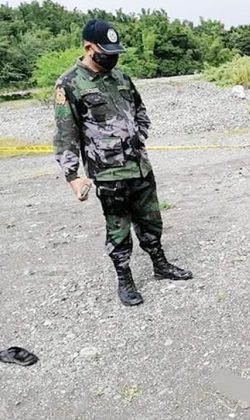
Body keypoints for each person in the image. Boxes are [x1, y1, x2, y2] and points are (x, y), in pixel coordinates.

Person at [53, 19, 192, 307]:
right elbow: (66, 133)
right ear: (88, 47)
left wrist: (139, 134)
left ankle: (160, 265)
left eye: (116, 52)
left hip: (139, 164)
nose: (112, 57)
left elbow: (140, 109)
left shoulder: (121, 78)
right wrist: (72, 175)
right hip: (108, 171)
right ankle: (124, 278)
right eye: (106, 51)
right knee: (118, 227)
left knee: (151, 219)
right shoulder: (69, 84)